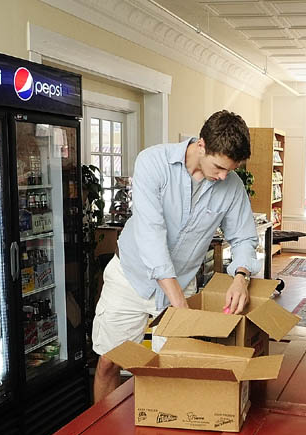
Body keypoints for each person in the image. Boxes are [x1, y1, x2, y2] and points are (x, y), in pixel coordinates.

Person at [92, 110, 260, 403]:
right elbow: (151, 234)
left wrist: (241, 278)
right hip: (130, 278)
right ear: (202, 144)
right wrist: (178, 303)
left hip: (183, 282)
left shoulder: (230, 185)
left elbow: (244, 236)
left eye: (229, 170)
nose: (223, 176)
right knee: (109, 363)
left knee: (173, 368)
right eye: (219, 167)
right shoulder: (152, 162)